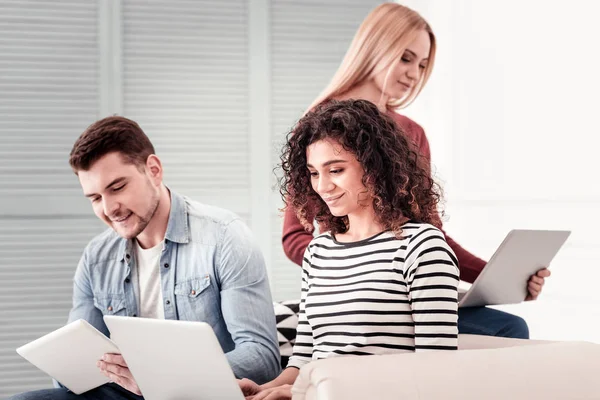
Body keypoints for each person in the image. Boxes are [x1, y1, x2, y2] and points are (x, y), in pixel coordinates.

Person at [281, 2, 549, 340]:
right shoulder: (316, 128)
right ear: (374, 48)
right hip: (357, 293)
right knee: (508, 329)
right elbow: (295, 239)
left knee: (509, 325)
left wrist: (500, 279)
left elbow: (430, 230)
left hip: (411, 285)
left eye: (422, 65)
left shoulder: (412, 132)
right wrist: (360, 268)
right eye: (406, 58)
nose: (414, 74)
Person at [10, 116, 280, 400]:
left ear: (153, 170)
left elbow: (262, 357)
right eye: (95, 198)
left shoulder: (224, 237)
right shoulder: (96, 257)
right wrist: (66, 368)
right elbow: (75, 361)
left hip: (200, 394)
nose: (109, 208)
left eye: (117, 188)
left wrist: (163, 380)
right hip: (123, 394)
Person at [242, 99, 460, 399]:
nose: (323, 186)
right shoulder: (318, 251)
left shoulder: (422, 247)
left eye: (336, 170)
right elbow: (304, 358)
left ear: (375, 167)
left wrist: (305, 396)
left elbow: (436, 373)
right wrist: (263, 389)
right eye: (314, 173)